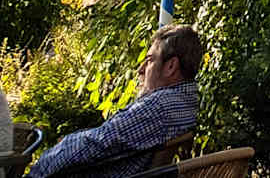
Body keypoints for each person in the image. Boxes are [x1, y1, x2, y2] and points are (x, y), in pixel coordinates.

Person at [29, 25, 203, 178]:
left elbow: (96, 144)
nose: (140, 69)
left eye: (150, 60)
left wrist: (40, 168)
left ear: (171, 66)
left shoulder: (158, 107)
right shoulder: (186, 100)